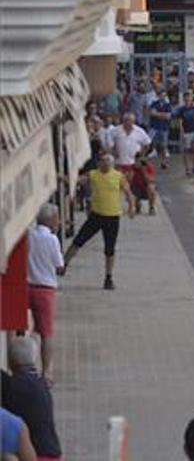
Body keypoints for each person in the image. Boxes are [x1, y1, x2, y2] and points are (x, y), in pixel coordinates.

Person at [64, 154, 135, 290]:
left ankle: (108, 277)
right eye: (103, 161)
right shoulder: (93, 174)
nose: (105, 163)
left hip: (112, 216)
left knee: (109, 249)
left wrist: (131, 207)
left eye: (108, 161)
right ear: (99, 163)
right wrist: (64, 178)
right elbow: (78, 181)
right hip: (96, 215)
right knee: (79, 240)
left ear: (112, 164)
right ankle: (64, 264)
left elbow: (128, 193)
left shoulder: (118, 176)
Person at [1, 337, 62, 461]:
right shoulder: (42, 385)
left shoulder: (10, 386)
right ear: (34, 361)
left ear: (10, 362)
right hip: (53, 452)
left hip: (34, 454)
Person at [26, 204, 65, 384]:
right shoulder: (51, 239)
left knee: (24, 328)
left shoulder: (29, 235)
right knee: (46, 333)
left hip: (27, 287)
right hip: (45, 289)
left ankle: (25, 365)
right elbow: (59, 265)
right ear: (50, 220)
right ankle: (46, 373)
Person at [108, 112, 151, 180]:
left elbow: (147, 143)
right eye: (126, 120)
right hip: (119, 162)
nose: (128, 122)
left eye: (130, 120)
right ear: (123, 121)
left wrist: (142, 155)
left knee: (130, 181)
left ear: (133, 121)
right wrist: (112, 150)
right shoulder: (115, 130)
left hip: (132, 162)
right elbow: (109, 141)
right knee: (119, 181)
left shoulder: (139, 131)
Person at [175, 92, 194, 175]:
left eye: (189, 97)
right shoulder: (181, 109)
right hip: (187, 132)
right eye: (187, 97)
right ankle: (187, 168)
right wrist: (182, 132)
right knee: (186, 151)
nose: (188, 99)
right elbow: (180, 122)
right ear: (184, 99)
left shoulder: (193, 108)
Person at [148, 89, 174, 169]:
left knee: (163, 146)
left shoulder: (168, 105)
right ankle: (147, 164)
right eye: (161, 95)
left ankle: (164, 162)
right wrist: (163, 115)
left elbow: (169, 116)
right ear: (158, 96)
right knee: (150, 144)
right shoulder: (154, 104)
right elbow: (152, 113)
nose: (162, 97)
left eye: (164, 95)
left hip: (164, 128)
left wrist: (158, 114)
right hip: (154, 127)